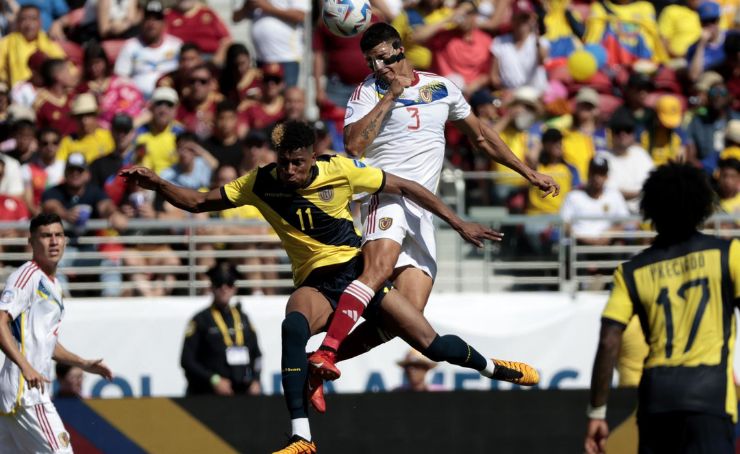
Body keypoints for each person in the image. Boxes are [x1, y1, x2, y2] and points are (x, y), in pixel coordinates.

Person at [122, 120, 539, 454]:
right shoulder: (260, 182)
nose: (289, 171)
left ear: (311, 157)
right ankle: (301, 436)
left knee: (430, 343)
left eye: (297, 163)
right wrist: (158, 184)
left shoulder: (339, 170)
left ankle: (495, 368)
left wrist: (458, 222)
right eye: (284, 162)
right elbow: (197, 201)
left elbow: (408, 187)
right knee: (292, 325)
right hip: (317, 284)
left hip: (360, 276)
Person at [310, 23, 558, 382]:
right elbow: (354, 145)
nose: (378, 69)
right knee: (376, 270)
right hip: (387, 194)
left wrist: (528, 172)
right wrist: (390, 95)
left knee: (407, 317)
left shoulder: (440, 88)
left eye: (382, 59)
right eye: (370, 63)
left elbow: (483, 138)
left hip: (424, 211)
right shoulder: (368, 92)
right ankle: (329, 348)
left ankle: (317, 362)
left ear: (398, 49)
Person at [584, 163, 740, 454]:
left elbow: (608, 342)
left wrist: (596, 412)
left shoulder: (631, 271)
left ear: (650, 210)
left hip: (657, 400)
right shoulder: (729, 254)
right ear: (704, 205)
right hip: (711, 397)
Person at [0, 213, 113, 452]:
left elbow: (45, 341)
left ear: (65, 240)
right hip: (27, 395)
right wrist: (25, 366)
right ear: (31, 242)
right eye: (45, 236)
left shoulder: (54, 284)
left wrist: (82, 363)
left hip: (15, 397)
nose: (53, 241)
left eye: (58, 235)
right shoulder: (26, 277)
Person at [180, 261, 262, 396]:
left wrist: (256, 379)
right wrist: (213, 379)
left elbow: (257, 356)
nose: (224, 288)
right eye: (219, 283)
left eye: (229, 283)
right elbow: (187, 360)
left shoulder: (243, 318)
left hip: (242, 394)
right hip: (208, 395)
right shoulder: (200, 320)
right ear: (211, 287)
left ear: (234, 288)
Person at [114, 0, 182, 99]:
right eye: (148, 18)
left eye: (156, 19)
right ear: (142, 22)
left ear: (164, 23)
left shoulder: (176, 45)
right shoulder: (130, 46)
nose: (151, 23)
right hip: (137, 101)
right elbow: (120, 78)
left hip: (171, 99)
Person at [232, 0, 309, 87]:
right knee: (263, 96)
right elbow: (235, 18)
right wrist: (246, 6)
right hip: (261, 58)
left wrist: (267, 7)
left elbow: (301, 16)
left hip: (287, 58)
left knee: (286, 96)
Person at [0, 5, 65, 88]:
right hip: (16, 93)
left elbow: (64, 68)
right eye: (23, 19)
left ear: (40, 22)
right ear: (17, 23)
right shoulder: (5, 43)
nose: (28, 24)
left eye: (33, 19)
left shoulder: (49, 44)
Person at [164, 0, 231, 66]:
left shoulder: (207, 13)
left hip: (210, 58)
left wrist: (216, 60)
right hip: (181, 60)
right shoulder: (168, 15)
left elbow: (226, 39)